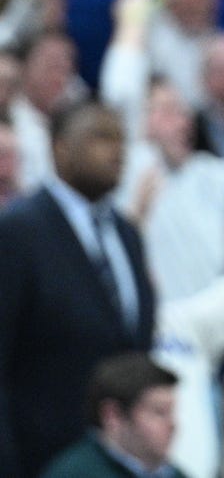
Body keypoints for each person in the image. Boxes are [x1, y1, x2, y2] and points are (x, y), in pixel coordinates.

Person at [0, 101, 157, 477]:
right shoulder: (18, 231)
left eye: (122, 139)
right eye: (101, 137)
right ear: (61, 148)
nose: (118, 150)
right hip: (40, 457)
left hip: (121, 461)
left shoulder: (127, 233)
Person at [39, 350, 186, 478]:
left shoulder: (175, 474)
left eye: (172, 412)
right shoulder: (73, 473)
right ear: (113, 415)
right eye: (159, 412)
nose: (172, 424)